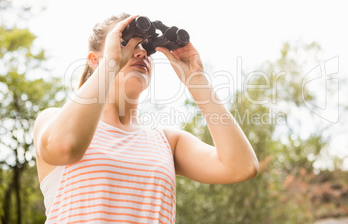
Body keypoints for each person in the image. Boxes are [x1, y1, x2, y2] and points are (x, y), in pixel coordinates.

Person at [33, 13, 259, 224]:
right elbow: (65, 146)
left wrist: (196, 80)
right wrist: (111, 62)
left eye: (145, 47)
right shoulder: (54, 120)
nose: (140, 52)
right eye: (126, 42)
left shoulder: (167, 143)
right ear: (94, 60)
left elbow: (241, 167)